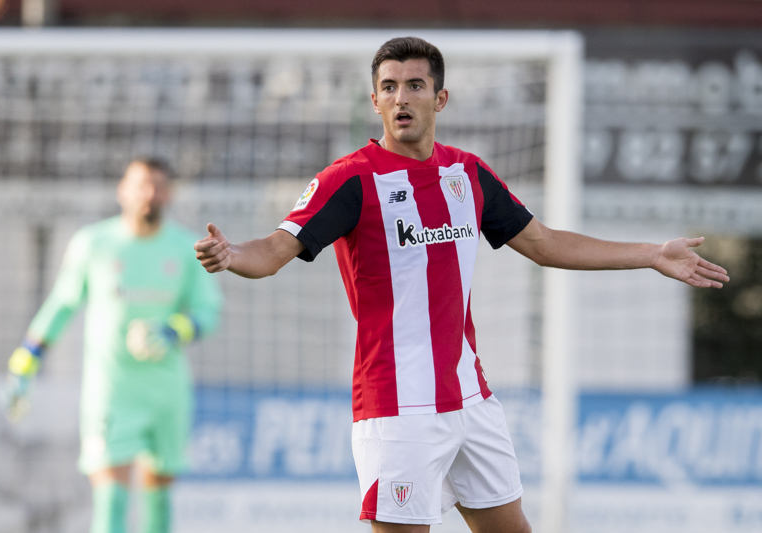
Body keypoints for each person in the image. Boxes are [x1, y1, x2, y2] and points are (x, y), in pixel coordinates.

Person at [193, 37, 729, 533]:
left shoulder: (467, 174)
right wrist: (233, 255)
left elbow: (544, 243)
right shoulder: (351, 180)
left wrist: (651, 254)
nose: (401, 98)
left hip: (469, 396)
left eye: (415, 85)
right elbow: (274, 251)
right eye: (389, 87)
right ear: (375, 101)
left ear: (440, 98)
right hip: (397, 405)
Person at [3, 159, 223, 533]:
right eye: (141, 184)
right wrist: (25, 360)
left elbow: (209, 311)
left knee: (157, 503)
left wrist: (173, 331)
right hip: (111, 392)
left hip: (166, 392)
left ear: (169, 194)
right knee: (110, 501)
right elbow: (61, 304)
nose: (149, 193)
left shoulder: (186, 247)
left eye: (159, 186)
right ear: (122, 190)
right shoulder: (94, 244)